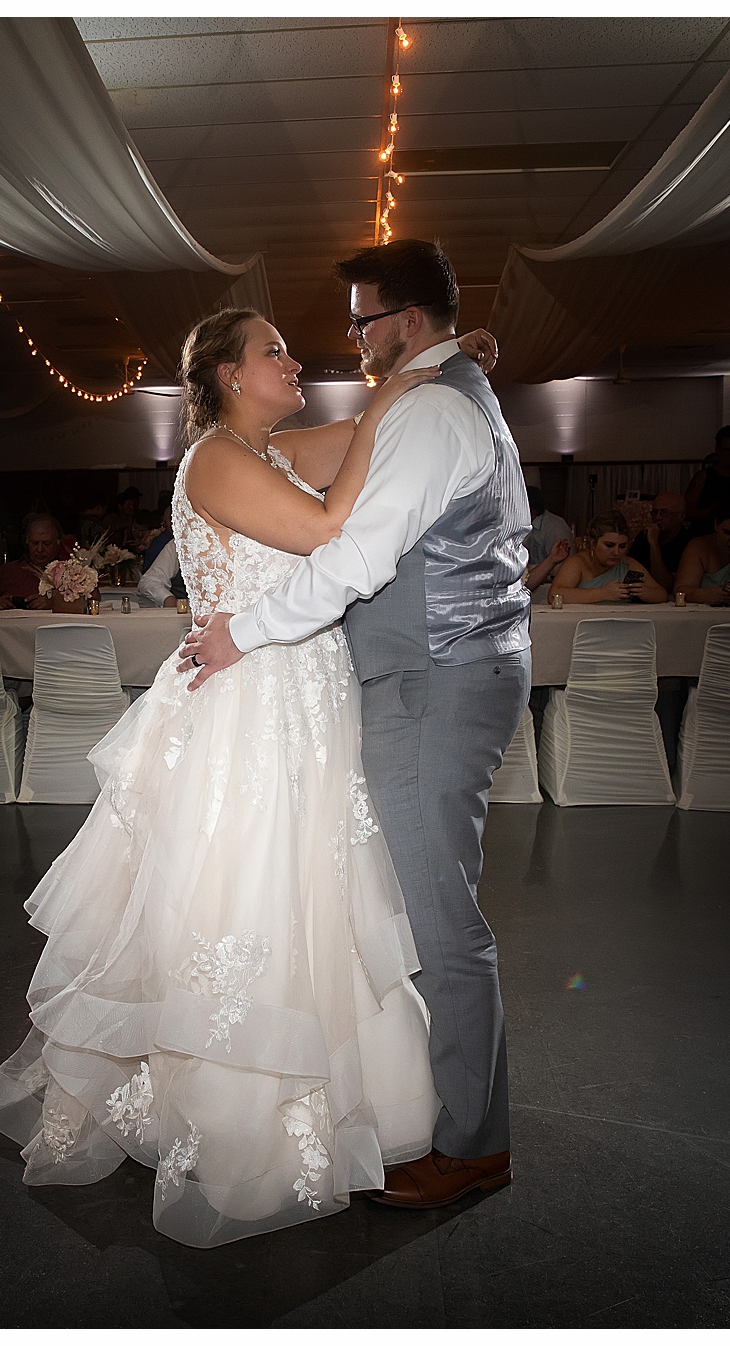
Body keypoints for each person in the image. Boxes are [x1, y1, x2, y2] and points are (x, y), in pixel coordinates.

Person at [0, 294, 475, 1247]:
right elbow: (332, 529)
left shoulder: (269, 452)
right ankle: (237, 1115)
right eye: (275, 353)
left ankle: (338, 1097)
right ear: (228, 376)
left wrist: (422, 370)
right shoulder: (216, 460)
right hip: (255, 706)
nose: (296, 364)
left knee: (316, 891)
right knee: (251, 892)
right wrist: (401, 388)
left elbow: (365, 430)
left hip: (304, 693)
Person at [172, 239, 528, 1216]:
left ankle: (472, 1142)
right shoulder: (424, 400)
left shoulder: (430, 407)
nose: (343, 341)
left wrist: (240, 630)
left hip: (432, 678)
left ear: (404, 323)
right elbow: (300, 466)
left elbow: (352, 555)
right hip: (404, 678)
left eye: (362, 321)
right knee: (352, 898)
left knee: (437, 911)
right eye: (285, 347)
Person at [549, 511, 667, 604]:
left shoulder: (628, 564)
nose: (616, 552)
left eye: (622, 546)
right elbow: (554, 595)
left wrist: (644, 592)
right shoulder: (578, 563)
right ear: (593, 543)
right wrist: (602, 593)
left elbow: (662, 594)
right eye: (609, 545)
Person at [0, 514, 64, 609]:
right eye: (34, 543)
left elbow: (83, 604)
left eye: (46, 544)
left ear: (58, 542)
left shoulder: (72, 573)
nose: (40, 549)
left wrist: (54, 603)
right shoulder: (8, 571)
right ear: (27, 541)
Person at [627, 491, 692, 593]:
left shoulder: (689, 542)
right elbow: (630, 573)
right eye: (654, 512)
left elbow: (666, 586)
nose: (657, 517)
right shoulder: (643, 537)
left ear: (681, 516)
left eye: (664, 512)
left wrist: (654, 544)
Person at [683, 426, 730, 531]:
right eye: (727, 450)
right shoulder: (703, 477)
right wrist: (711, 511)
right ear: (717, 448)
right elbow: (686, 512)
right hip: (706, 534)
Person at [522, 486, 573, 601]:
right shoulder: (520, 527)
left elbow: (562, 568)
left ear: (531, 511)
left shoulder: (555, 527)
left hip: (550, 588)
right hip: (527, 584)